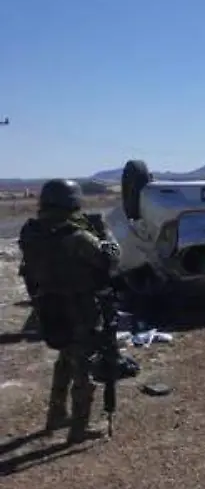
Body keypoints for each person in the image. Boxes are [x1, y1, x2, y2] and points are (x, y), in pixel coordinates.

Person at [20, 179, 121, 443]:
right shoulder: (76, 236)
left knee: (65, 358)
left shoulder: (32, 233)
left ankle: (56, 415)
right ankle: (79, 428)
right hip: (80, 307)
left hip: (49, 306)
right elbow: (111, 259)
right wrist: (105, 232)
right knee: (83, 365)